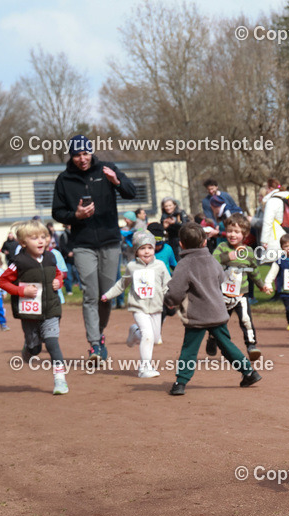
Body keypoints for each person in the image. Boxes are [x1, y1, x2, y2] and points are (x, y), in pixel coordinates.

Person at [51, 134, 136, 361]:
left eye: (85, 153)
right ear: (71, 156)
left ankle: (99, 333)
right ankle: (94, 345)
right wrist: (75, 216)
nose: (82, 158)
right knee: (90, 294)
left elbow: (131, 191)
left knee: (105, 296)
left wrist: (116, 182)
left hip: (109, 241)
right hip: (83, 244)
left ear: (91, 151)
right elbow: (57, 212)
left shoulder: (107, 169)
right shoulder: (64, 179)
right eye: (77, 155)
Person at [163, 223, 262, 396]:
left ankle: (181, 382)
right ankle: (249, 372)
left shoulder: (184, 264)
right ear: (204, 242)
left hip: (197, 315)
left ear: (181, 244)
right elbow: (221, 279)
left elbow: (176, 291)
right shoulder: (212, 260)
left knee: (189, 349)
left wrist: (169, 300)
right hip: (217, 311)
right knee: (227, 345)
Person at [0, 220, 68, 395]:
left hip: (51, 308)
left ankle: (60, 380)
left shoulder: (51, 257)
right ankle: (29, 349)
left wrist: (58, 281)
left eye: (43, 237)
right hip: (29, 312)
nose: (41, 241)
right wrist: (21, 290)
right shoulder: (18, 262)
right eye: (34, 238)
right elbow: (2, 281)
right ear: (23, 243)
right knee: (35, 348)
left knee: (52, 342)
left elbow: (58, 273)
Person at [100, 230, 171, 378]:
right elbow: (121, 284)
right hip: (139, 307)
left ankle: (134, 332)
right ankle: (144, 368)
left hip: (157, 307)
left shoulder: (160, 266)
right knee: (148, 335)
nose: (146, 252)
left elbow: (168, 285)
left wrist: (172, 300)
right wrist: (108, 295)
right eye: (142, 248)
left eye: (149, 248)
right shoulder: (132, 267)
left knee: (156, 337)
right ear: (136, 251)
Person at [210, 214, 269, 361]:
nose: (232, 235)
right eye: (230, 231)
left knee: (246, 320)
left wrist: (262, 286)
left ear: (245, 234)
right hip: (222, 295)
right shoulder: (222, 247)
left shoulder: (248, 252)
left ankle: (251, 346)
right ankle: (213, 338)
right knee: (219, 321)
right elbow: (211, 262)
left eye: (237, 232)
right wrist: (226, 257)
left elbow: (254, 271)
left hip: (240, 294)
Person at [263, 233, 289, 331]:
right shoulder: (280, 261)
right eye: (286, 246)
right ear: (282, 248)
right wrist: (268, 284)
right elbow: (272, 273)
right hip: (285, 291)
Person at [259, 178, 289, 264]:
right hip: (285, 231)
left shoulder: (272, 201)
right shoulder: (285, 197)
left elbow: (267, 222)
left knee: (274, 264)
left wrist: (264, 241)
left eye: (266, 188)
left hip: (274, 236)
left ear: (270, 188)